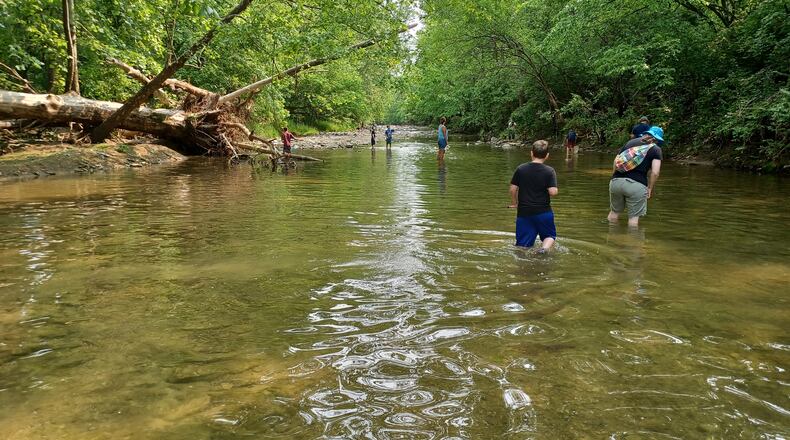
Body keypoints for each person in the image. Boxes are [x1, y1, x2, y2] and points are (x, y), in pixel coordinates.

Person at [508, 140, 559, 253]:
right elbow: (553, 192)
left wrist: (514, 203)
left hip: (524, 212)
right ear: (547, 156)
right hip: (543, 211)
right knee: (549, 236)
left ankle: (522, 264)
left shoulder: (521, 169)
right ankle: (543, 249)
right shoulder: (549, 171)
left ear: (531, 153)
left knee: (522, 244)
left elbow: (512, 189)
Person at [608, 126, 663, 227]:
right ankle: (633, 241)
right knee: (633, 218)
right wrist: (650, 188)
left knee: (614, 213)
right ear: (657, 139)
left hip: (616, 182)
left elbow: (616, 161)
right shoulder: (656, 149)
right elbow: (655, 172)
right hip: (636, 185)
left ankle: (611, 238)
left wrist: (614, 177)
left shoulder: (630, 143)